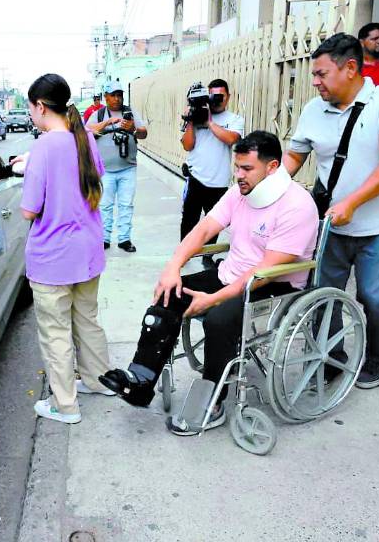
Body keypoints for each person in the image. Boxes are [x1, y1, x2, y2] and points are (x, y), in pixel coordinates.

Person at [100, 131, 319, 435]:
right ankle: (140, 381)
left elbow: (267, 269)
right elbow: (203, 231)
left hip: (274, 284)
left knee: (219, 319)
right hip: (230, 273)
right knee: (166, 296)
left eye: (246, 169)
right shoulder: (239, 192)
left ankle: (214, 403)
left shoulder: (298, 205)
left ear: (272, 168)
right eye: (237, 167)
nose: (238, 175)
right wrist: (172, 267)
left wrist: (214, 299)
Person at [284, 33, 379, 389]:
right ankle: (330, 357)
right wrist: (265, 188)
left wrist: (352, 202)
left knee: (375, 297)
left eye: (322, 74)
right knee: (321, 295)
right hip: (331, 226)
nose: (315, 82)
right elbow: (295, 157)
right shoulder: (314, 110)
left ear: (351, 68)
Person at [17, 73, 115, 425]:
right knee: (87, 319)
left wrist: (26, 171)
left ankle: (66, 405)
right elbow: (93, 178)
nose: (31, 115)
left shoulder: (43, 147)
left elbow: (29, 209)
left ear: (41, 107)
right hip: (87, 252)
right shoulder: (85, 137)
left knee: (56, 331)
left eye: (30, 108)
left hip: (53, 258)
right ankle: (97, 379)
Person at [180, 78, 245, 268]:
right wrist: (192, 121)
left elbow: (231, 139)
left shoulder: (234, 119)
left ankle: (207, 256)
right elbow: (187, 145)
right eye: (212, 96)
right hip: (195, 177)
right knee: (189, 219)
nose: (216, 100)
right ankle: (184, 253)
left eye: (220, 96)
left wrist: (209, 122)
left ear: (228, 97)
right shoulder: (195, 117)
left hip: (219, 181)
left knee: (214, 222)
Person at [85, 80, 148, 252]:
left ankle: (124, 239)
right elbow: (86, 131)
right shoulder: (98, 115)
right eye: (113, 95)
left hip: (128, 167)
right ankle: (104, 239)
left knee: (126, 204)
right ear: (105, 97)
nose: (117, 98)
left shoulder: (130, 112)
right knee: (105, 205)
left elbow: (143, 133)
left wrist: (133, 128)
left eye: (119, 94)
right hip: (104, 169)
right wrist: (108, 123)